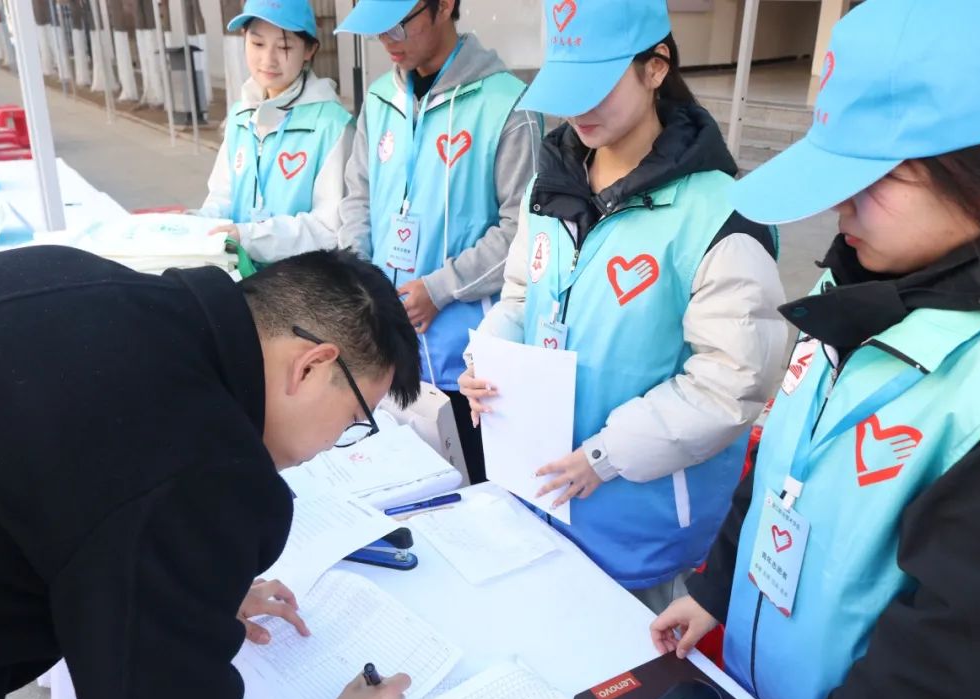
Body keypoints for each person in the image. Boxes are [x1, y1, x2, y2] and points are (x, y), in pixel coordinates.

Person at [651, 1, 980, 699]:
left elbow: (943, 675)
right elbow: (779, 471)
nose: (838, 207)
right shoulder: (845, 290)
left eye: (875, 177)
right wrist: (717, 589)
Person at [0, 246, 420, 699]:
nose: (334, 444)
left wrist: (184, 593)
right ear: (311, 366)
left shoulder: (78, 276)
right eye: (354, 418)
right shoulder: (199, 467)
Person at [458, 0, 787, 611]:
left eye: (597, 85)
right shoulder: (549, 186)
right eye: (567, 87)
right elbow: (521, 296)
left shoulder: (720, 215)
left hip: (644, 527)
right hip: (542, 495)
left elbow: (731, 381)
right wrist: (488, 360)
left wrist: (606, 456)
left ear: (655, 68)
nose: (578, 108)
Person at [335, 0, 542, 485]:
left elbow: (523, 232)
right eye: (377, 28)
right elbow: (356, 199)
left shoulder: (509, 105)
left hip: (465, 367)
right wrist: (361, 284)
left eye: (397, 24)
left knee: (470, 494)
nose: (386, 40)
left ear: (445, 5)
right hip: (386, 351)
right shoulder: (380, 99)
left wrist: (440, 288)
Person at [196, 0, 353, 270]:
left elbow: (328, 228)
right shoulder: (240, 116)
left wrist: (250, 237)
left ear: (309, 50)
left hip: (297, 287)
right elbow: (222, 196)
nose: (268, 59)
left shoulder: (332, 125)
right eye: (258, 44)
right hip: (238, 277)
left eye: (284, 47)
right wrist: (195, 222)